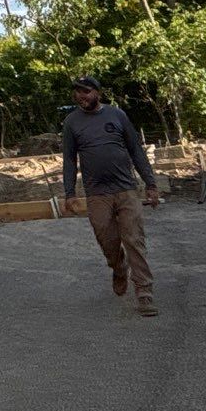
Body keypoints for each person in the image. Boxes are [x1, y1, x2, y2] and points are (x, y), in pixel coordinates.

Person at [60, 76, 162, 317]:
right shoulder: (72, 122)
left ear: (98, 92)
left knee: (134, 239)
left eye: (86, 91)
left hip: (126, 189)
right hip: (97, 194)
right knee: (107, 241)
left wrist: (150, 183)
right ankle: (118, 267)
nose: (81, 96)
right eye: (78, 92)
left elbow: (135, 150)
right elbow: (69, 160)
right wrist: (69, 192)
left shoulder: (117, 115)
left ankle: (144, 292)